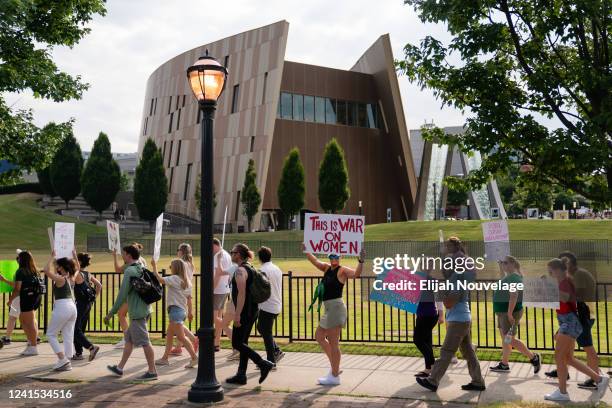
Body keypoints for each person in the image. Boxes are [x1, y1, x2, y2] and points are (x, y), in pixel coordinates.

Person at [416, 237, 485, 392]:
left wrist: (441, 292)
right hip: (462, 318)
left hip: (458, 320)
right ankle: (478, 381)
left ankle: (433, 381)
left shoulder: (456, 278)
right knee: (468, 353)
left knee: (446, 352)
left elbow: (449, 303)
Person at [544, 258, 608, 402]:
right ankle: (599, 379)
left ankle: (562, 392)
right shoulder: (562, 282)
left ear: (558, 269)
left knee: (560, 357)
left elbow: (566, 298)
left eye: (551, 270)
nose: (550, 273)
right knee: (568, 358)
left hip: (570, 322)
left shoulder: (566, 281)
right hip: (566, 321)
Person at [304, 244, 366, 386]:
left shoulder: (342, 270)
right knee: (319, 337)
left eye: (336, 256)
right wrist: (306, 249)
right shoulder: (326, 268)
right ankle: (335, 368)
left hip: (336, 308)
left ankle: (334, 375)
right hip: (329, 309)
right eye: (331, 256)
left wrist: (361, 261)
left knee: (333, 342)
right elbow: (314, 261)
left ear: (340, 257)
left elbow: (356, 275)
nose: (334, 258)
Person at [105, 244, 157, 381]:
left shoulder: (129, 271)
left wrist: (111, 313)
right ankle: (120, 368)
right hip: (145, 308)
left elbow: (122, 295)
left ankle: (152, 371)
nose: (122, 255)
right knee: (128, 340)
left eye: (123, 254)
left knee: (145, 342)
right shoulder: (141, 267)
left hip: (137, 312)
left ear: (128, 255)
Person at [225, 243, 275, 385]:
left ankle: (263, 363)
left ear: (239, 254)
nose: (231, 254)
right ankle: (241, 375)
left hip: (245, 312)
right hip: (252, 310)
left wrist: (237, 314)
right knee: (243, 342)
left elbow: (241, 294)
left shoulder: (241, 270)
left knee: (237, 342)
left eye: (233, 252)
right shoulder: (250, 267)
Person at [490, 256, 541, 373]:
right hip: (503, 313)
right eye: (502, 263)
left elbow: (514, 295)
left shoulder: (514, 278)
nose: (504, 265)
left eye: (506, 263)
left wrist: (509, 314)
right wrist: (500, 265)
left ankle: (533, 357)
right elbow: (503, 277)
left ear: (513, 264)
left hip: (509, 313)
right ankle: (504, 364)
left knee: (510, 340)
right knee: (505, 340)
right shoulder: (509, 276)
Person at [151, 258, 198, 368]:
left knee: (181, 337)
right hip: (181, 311)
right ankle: (165, 358)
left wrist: (154, 266)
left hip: (175, 311)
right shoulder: (187, 281)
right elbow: (189, 298)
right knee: (169, 335)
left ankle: (194, 358)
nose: (170, 268)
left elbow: (159, 279)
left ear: (176, 268)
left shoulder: (175, 278)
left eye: (171, 266)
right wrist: (190, 312)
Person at [43, 251, 78, 371]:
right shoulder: (70, 277)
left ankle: (62, 359)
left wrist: (51, 256)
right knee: (68, 335)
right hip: (72, 308)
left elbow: (45, 270)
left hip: (63, 306)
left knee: (51, 334)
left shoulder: (60, 278)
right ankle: (67, 361)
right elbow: (77, 267)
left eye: (57, 265)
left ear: (61, 267)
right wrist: (75, 256)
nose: (55, 267)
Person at [112, 242, 147, 349]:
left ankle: (127, 338)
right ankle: (132, 338)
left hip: (132, 293)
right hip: (141, 293)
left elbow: (118, 270)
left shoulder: (132, 263)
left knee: (122, 314)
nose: (124, 254)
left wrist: (114, 257)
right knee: (134, 317)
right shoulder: (143, 260)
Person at [8, 250, 43, 356]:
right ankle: (31, 344)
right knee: (23, 320)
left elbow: (17, 288)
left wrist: (10, 300)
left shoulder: (21, 271)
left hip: (27, 298)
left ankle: (33, 347)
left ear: (22, 260)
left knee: (29, 323)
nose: (17, 259)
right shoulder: (34, 270)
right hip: (35, 297)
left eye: (18, 258)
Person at [256, 246, 285, 369]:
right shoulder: (276, 268)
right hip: (276, 303)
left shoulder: (261, 270)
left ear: (260, 258)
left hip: (267, 305)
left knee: (265, 331)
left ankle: (271, 361)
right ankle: (276, 351)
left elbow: (259, 289)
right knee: (263, 329)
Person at [413, 268, 444, 378]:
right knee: (426, 341)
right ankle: (428, 369)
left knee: (418, 340)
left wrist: (441, 315)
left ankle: (433, 364)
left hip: (427, 316)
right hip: (425, 315)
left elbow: (439, 299)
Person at [168, 243, 198, 356]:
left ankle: (192, 340)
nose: (177, 252)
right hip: (185, 292)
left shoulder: (183, 264)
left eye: (178, 250)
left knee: (177, 322)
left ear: (182, 251)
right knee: (178, 322)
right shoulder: (190, 264)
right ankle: (178, 347)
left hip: (180, 292)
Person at [72, 252, 102, 362]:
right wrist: (94, 298)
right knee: (80, 329)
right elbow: (99, 285)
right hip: (88, 303)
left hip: (80, 303)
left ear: (79, 262)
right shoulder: (88, 274)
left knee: (75, 329)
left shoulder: (77, 273)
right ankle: (79, 353)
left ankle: (91, 348)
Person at [212, 238, 233, 352]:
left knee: (215, 318)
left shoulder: (217, 256)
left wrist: (211, 289)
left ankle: (235, 339)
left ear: (214, 245)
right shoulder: (227, 255)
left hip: (218, 290)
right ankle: (216, 343)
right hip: (224, 289)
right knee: (218, 317)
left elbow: (218, 275)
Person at [0, 250, 20, 345]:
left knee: (12, 317)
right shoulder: (31, 270)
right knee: (31, 318)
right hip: (29, 298)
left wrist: (4, 280)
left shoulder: (19, 272)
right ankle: (35, 338)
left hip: (19, 297)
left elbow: (16, 286)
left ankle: (7, 338)